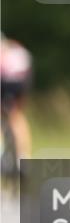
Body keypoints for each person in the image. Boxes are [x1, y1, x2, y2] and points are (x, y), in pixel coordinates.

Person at [1, 34, 33, 179]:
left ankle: (3, 156)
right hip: (23, 74)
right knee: (16, 116)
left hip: (6, 74)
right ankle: (23, 158)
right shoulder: (14, 46)